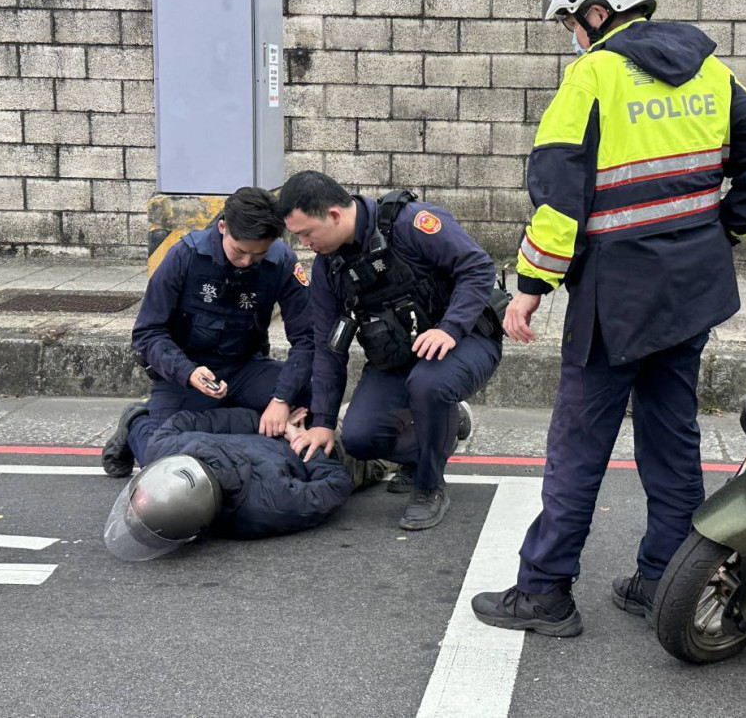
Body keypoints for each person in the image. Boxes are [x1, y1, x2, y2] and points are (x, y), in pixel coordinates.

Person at [470, 0, 746, 637]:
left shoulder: (592, 78)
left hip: (614, 299)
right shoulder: (711, 71)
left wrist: (529, 286)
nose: (573, 38)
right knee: (671, 438)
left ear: (598, 12)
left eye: (572, 23)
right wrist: (724, 228)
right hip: (690, 290)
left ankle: (544, 591)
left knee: (578, 446)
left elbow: (559, 203)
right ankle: (663, 578)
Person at [278, 171, 503, 531]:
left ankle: (429, 487)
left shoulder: (410, 223)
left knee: (429, 385)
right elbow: (326, 347)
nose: (304, 243)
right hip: (398, 356)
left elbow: (476, 268)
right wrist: (322, 422)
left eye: (306, 233)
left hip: (467, 339)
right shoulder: (328, 268)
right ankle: (444, 426)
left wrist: (450, 327)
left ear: (335, 215)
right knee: (360, 438)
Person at [100, 186, 314, 478]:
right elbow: (148, 332)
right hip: (187, 375)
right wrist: (187, 371)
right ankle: (137, 422)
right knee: (167, 465)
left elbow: (307, 339)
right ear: (223, 227)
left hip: (244, 369)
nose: (247, 262)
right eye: (240, 252)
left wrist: (281, 400)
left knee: (308, 397)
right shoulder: (184, 257)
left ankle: (249, 421)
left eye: (258, 254)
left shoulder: (282, 262)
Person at [103, 406, 375, 560]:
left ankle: (134, 421)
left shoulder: (270, 505)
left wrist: (273, 424)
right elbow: (336, 483)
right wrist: (296, 438)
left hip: (299, 434)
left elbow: (337, 484)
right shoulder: (269, 506)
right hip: (309, 445)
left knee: (145, 435)